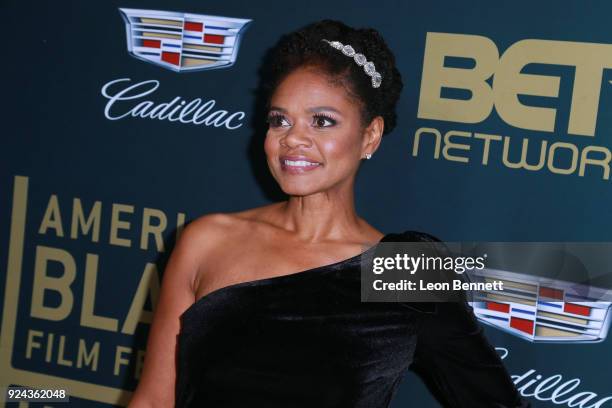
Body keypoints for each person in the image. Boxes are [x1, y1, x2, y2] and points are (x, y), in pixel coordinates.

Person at [129, 20, 529, 408]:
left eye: (322, 121)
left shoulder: (404, 269)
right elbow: (153, 401)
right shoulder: (207, 240)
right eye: (279, 120)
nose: (293, 139)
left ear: (369, 135)